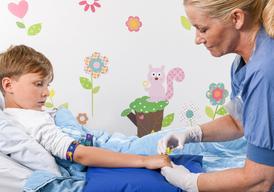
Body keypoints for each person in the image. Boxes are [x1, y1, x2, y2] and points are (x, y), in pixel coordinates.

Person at [0, 45, 171, 175]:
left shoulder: (34, 114)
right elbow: (79, 154)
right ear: (8, 85)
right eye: (38, 84)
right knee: (176, 144)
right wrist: (144, 160)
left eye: (47, 85)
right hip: (108, 147)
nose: (46, 92)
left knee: (176, 141)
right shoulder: (29, 119)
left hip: (107, 141)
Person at [158, 0, 274, 191]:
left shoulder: (265, 70)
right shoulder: (244, 63)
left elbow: (260, 180)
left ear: (236, 18)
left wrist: (191, 182)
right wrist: (191, 134)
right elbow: (240, 122)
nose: (197, 39)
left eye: (203, 29)